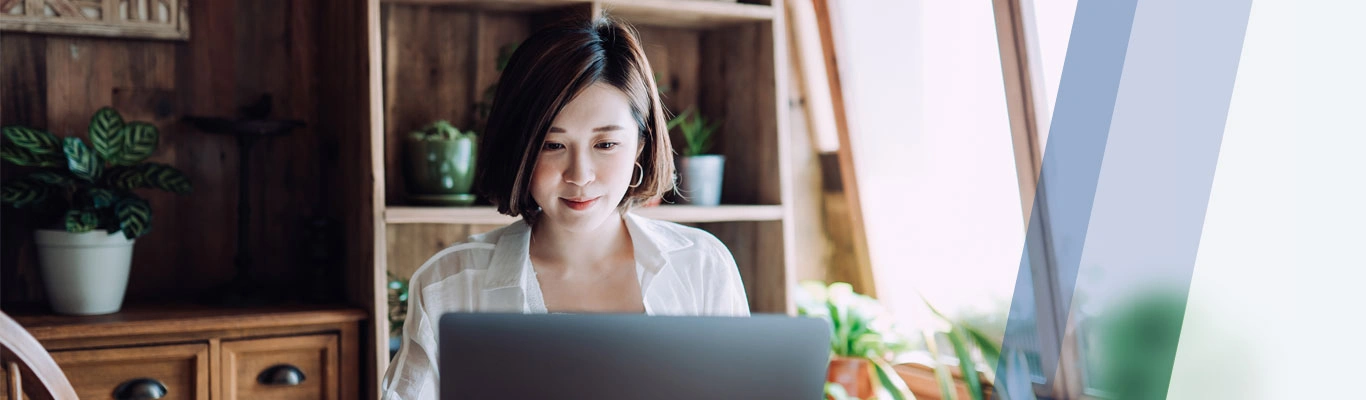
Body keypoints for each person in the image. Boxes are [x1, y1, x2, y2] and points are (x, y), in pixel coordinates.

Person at [381, 16, 750, 400]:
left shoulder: (702, 266)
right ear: (520, 148)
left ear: (641, 144)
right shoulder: (451, 283)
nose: (580, 175)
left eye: (605, 145)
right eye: (552, 145)